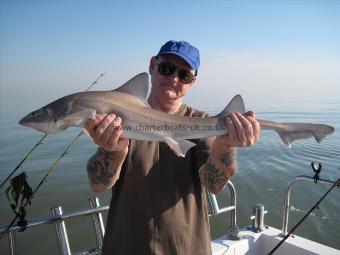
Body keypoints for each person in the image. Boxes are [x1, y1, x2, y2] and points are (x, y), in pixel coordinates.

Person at [85, 40, 260, 255]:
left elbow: (214, 185)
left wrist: (224, 146)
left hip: (186, 248)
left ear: (193, 81)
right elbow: (98, 184)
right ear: (152, 65)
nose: (174, 78)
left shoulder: (204, 124)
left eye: (184, 75)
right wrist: (114, 149)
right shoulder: (117, 120)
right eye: (166, 69)